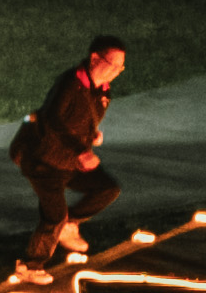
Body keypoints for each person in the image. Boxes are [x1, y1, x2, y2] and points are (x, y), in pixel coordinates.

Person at [12, 32, 129, 267]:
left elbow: (81, 119)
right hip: (43, 161)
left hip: (67, 161)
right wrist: (80, 150)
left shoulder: (103, 91)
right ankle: (30, 266)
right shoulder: (70, 84)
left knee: (107, 188)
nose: (115, 70)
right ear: (94, 59)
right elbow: (53, 120)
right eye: (111, 64)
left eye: (120, 67)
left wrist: (91, 135)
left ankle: (70, 224)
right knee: (54, 217)